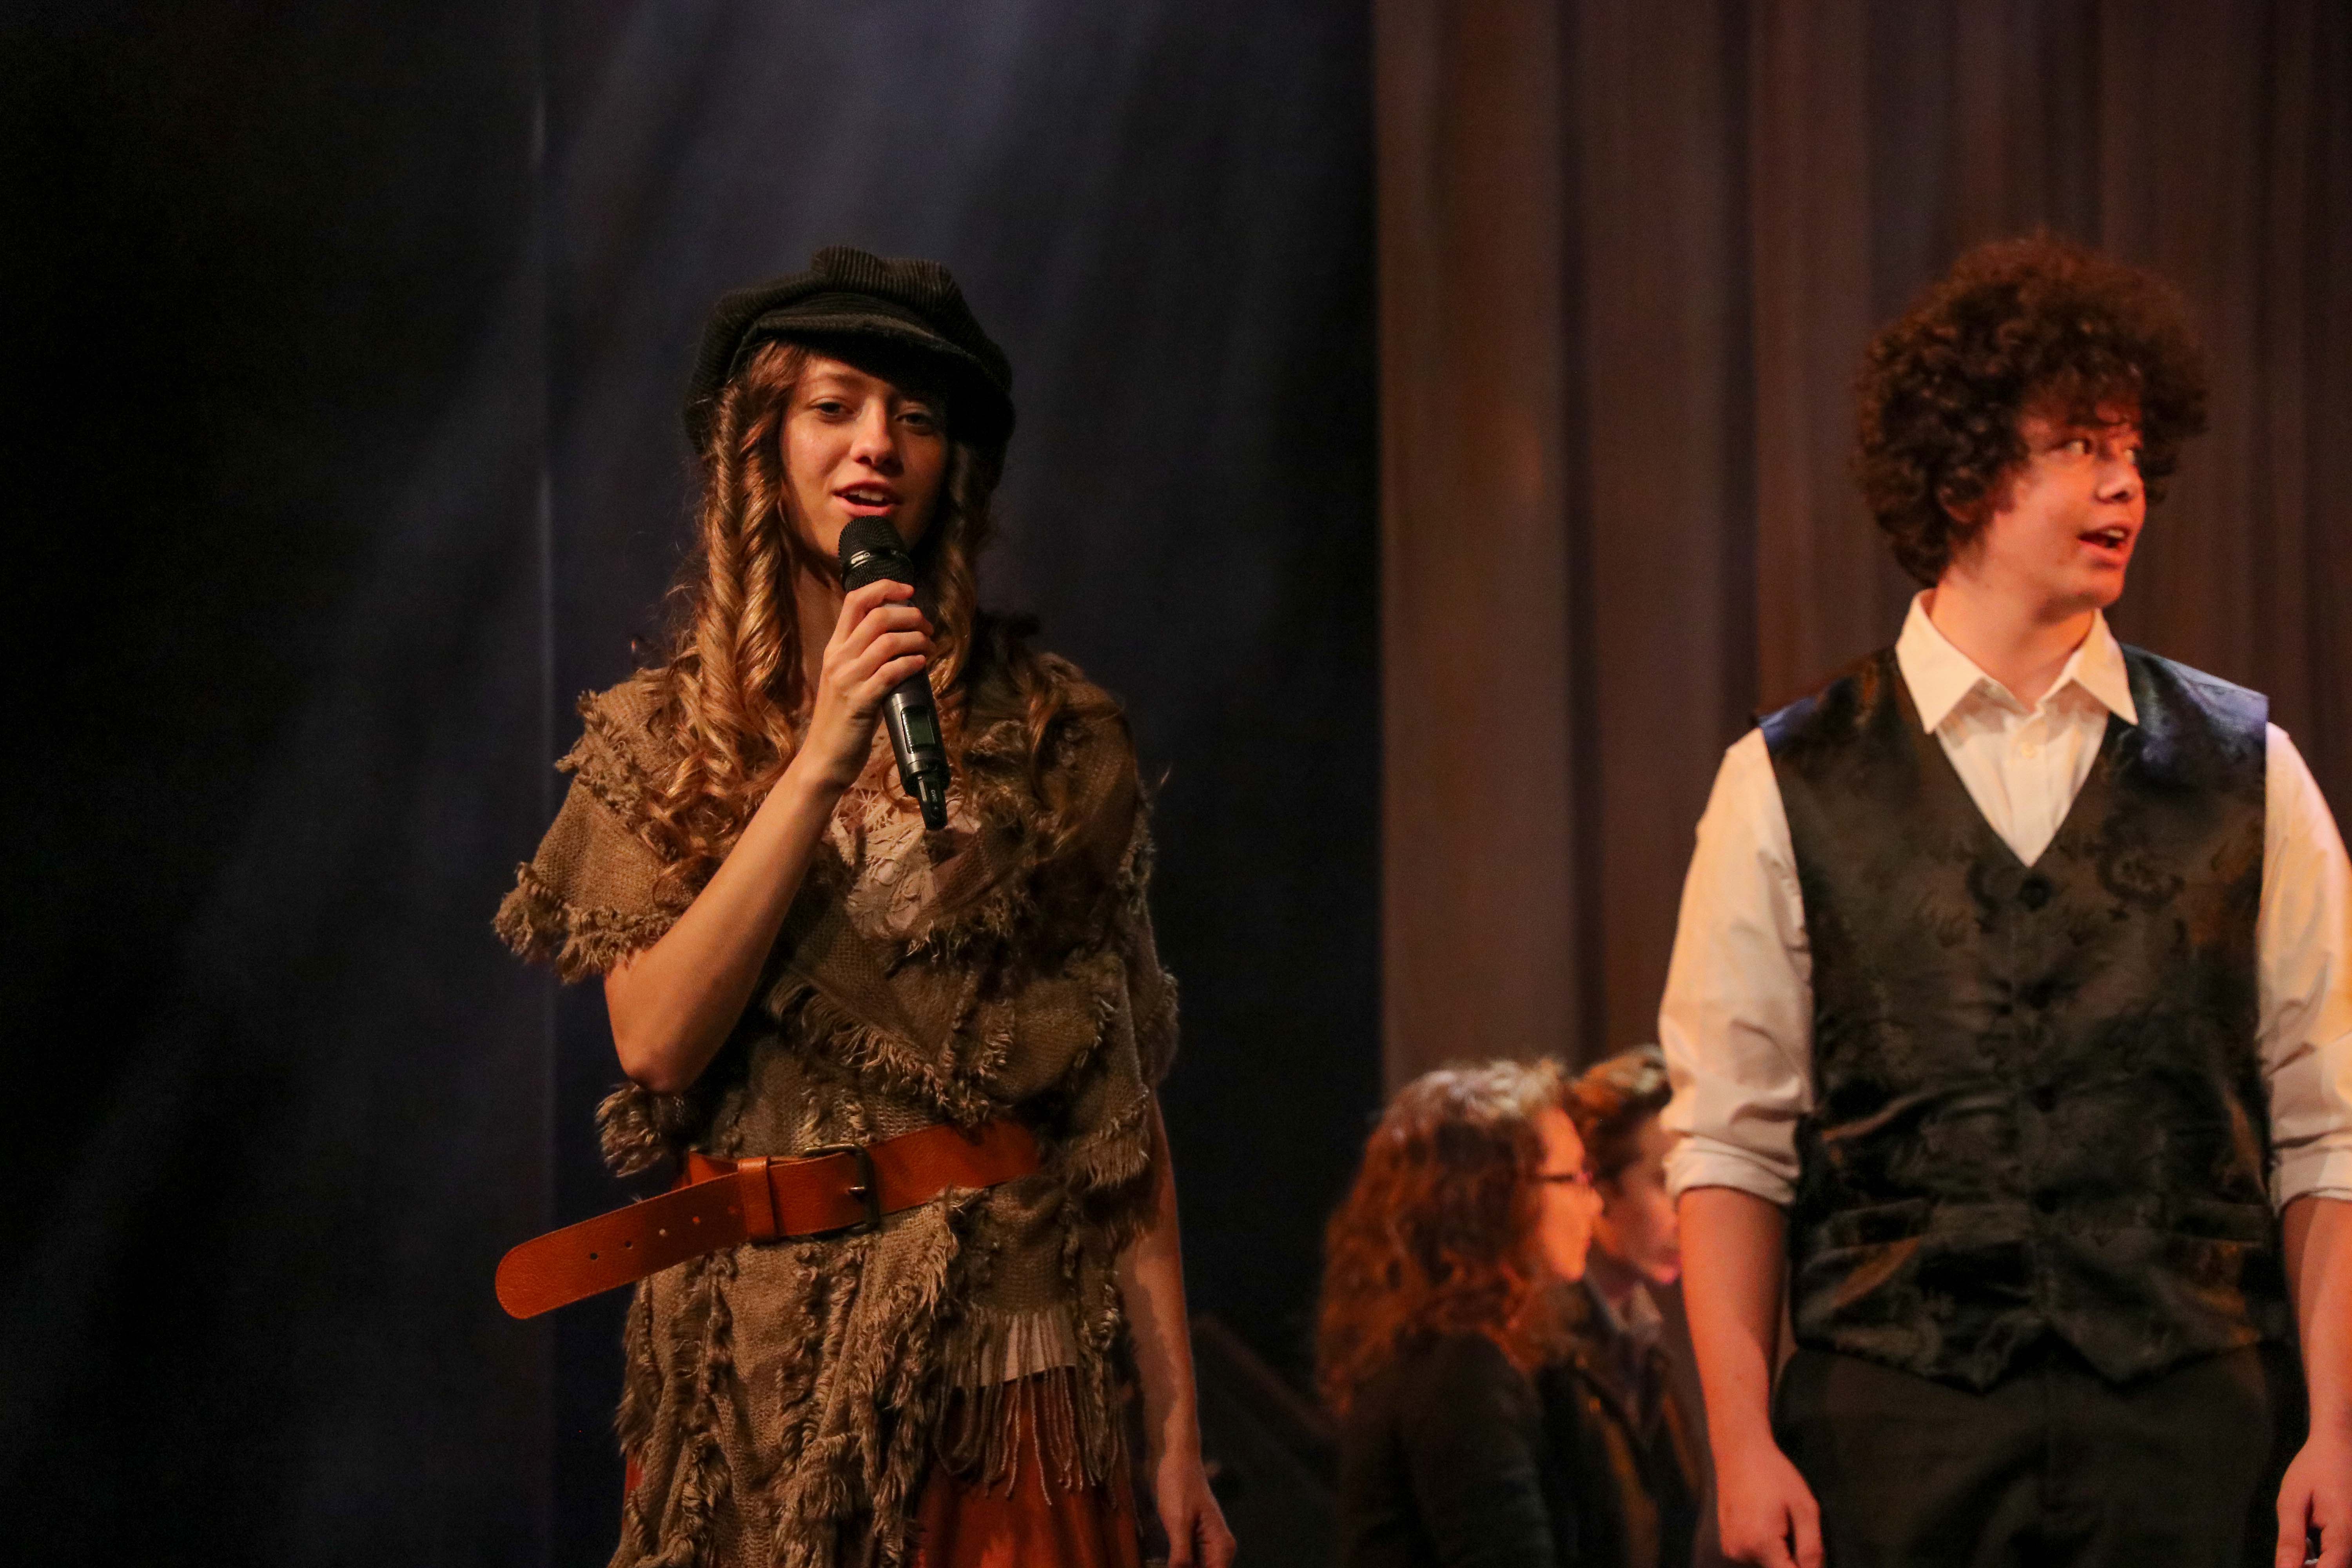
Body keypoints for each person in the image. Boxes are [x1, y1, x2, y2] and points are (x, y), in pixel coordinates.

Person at [495, 247, 1234, 1568]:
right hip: (754, 1367)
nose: (877, 445)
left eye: (917, 417)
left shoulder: (1056, 740)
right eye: (834, 407)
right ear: (763, 448)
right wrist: (821, 760)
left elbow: (1118, 1116)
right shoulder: (660, 743)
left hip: (1002, 1363)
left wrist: (1177, 1434)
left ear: (954, 465)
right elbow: (653, 1044)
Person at [1659, 234, 2352, 1568]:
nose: (2125, 481)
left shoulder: (2250, 768)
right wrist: (1741, 1448)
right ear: (1964, 468)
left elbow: (2330, 1131)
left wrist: (2338, 1428)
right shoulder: (1787, 780)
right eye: (2082, 444)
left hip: (2196, 1442)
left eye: (2135, 448)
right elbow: (1731, 1147)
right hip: (1895, 1448)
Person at [1325, 1058, 1639, 1567]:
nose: (1594, 1205)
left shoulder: (1469, 1356)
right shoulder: (1459, 1372)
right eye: (1576, 1179)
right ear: (1495, 1197)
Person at [1566, 1047, 1700, 1568]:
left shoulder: (1644, 1346)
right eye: (1666, 1182)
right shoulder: (1545, 1353)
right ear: (1597, 1187)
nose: (1690, 1212)